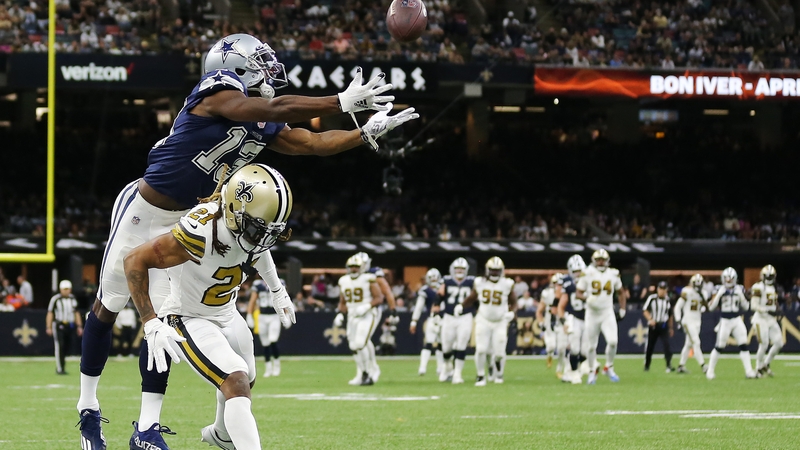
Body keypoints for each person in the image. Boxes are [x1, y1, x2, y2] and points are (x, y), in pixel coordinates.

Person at [76, 33, 416, 450]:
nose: (269, 67)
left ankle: (147, 428)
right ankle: (88, 408)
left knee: (162, 322)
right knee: (109, 304)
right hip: (144, 208)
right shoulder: (218, 90)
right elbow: (272, 107)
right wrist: (337, 102)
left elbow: (310, 143)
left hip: (188, 217)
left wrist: (362, 133)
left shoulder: (262, 116)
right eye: (259, 60)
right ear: (233, 65)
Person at [123, 163, 296, 450]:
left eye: (270, 232)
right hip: (188, 317)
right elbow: (134, 261)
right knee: (235, 380)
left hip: (227, 313)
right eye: (257, 229)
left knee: (246, 381)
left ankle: (221, 433)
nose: (262, 238)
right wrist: (151, 320)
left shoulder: (250, 229)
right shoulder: (202, 231)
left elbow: (259, 250)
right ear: (233, 211)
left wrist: (277, 290)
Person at [576, 249, 627, 384]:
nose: (600, 262)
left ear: (607, 261)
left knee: (613, 341)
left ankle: (608, 366)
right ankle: (592, 370)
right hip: (592, 314)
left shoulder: (613, 273)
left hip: (607, 312)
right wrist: (587, 297)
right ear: (594, 260)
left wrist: (622, 309)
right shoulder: (587, 273)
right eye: (598, 259)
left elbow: (621, 292)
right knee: (591, 346)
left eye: (603, 260)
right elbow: (578, 293)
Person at [463, 257, 516, 386]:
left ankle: (498, 373)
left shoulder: (507, 284)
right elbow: (472, 297)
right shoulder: (480, 282)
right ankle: (480, 375)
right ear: (487, 270)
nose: (494, 273)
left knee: (499, 353)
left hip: (500, 321)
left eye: (497, 271)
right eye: (492, 271)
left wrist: (512, 312)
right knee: (481, 349)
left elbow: (513, 301)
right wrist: (462, 305)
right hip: (483, 319)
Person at [333, 254, 385, 386]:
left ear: (362, 267)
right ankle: (363, 373)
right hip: (352, 316)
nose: (354, 269)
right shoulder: (343, 281)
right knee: (353, 346)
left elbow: (379, 298)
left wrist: (367, 306)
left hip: (367, 314)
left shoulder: (369, 278)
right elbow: (343, 301)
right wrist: (340, 313)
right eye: (351, 267)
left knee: (360, 343)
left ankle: (369, 372)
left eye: (356, 267)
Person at [352, 252, 397, 382]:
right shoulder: (352, 275)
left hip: (371, 310)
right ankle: (363, 371)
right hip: (355, 311)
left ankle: (371, 370)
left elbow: (386, 291)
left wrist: (393, 309)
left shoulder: (373, 273)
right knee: (355, 342)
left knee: (363, 340)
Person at [705, 267, 756, 380]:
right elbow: (711, 308)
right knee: (720, 346)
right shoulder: (718, 289)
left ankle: (749, 371)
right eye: (727, 279)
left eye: (730, 279)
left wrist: (741, 296)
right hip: (725, 320)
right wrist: (719, 295)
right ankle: (710, 370)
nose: (728, 282)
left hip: (737, 319)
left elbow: (746, 307)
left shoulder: (740, 289)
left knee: (743, 344)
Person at [438, 257, 475, 384]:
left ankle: (457, 374)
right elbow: (439, 296)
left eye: (462, 269)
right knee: (446, 347)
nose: (459, 271)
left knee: (461, 345)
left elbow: (476, 296)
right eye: (457, 269)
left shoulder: (471, 282)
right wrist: (436, 312)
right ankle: (447, 366)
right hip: (449, 316)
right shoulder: (446, 281)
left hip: (465, 316)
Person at [246, 277, 287, 378]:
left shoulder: (278, 282)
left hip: (274, 316)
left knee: (273, 340)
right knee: (265, 343)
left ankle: (277, 366)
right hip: (262, 316)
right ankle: (268, 367)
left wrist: (287, 314)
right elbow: (253, 300)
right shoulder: (258, 285)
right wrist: (249, 314)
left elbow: (283, 298)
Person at [557, 254, 587, 384]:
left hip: (589, 318)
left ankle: (569, 372)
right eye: (575, 271)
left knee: (585, 350)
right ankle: (574, 374)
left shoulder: (590, 281)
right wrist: (564, 320)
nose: (578, 274)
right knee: (574, 349)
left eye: (579, 270)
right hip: (574, 318)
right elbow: (562, 304)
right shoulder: (568, 283)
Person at [750, 265, 783, 377]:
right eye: (767, 276)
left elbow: (773, 303)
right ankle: (758, 368)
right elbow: (754, 305)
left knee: (779, 342)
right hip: (760, 319)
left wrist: (778, 311)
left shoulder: (774, 288)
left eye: (771, 276)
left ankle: (766, 363)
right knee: (763, 344)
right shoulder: (758, 287)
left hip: (770, 319)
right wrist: (768, 311)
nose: (769, 278)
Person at [410, 268, 444, 376]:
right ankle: (423, 367)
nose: (434, 280)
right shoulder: (425, 290)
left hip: (444, 319)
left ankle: (441, 368)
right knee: (429, 342)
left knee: (442, 344)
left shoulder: (444, 288)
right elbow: (419, 307)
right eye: (431, 278)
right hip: (432, 318)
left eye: (435, 278)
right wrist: (414, 321)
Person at [46, 280, 83, 374]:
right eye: (65, 289)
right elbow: (50, 313)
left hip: (69, 325)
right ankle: (60, 368)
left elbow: (76, 313)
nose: (67, 291)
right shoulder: (55, 299)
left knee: (67, 346)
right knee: (60, 346)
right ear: (61, 289)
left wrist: (79, 326)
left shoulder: (72, 299)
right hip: (59, 325)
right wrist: (48, 327)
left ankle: (62, 366)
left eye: (68, 289)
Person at [674, 274, 707, 374]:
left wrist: (703, 307)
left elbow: (704, 307)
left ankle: (681, 366)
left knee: (688, 344)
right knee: (696, 342)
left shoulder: (704, 293)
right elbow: (678, 307)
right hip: (688, 321)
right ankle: (703, 365)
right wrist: (678, 320)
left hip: (697, 321)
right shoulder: (687, 291)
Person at [537, 273, 567, 377]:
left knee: (561, 348)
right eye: (555, 284)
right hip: (550, 321)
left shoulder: (566, 293)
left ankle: (559, 369)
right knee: (551, 347)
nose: (557, 286)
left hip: (561, 320)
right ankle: (549, 355)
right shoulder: (547, 293)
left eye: (560, 284)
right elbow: (539, 311)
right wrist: (541, 322)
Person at [643, 281, 674, 372]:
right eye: (661, 289)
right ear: (658, 289)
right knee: (650, 346)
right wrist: (650, 319)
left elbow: (670, 315)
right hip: (654, 325)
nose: (662, 291)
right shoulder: (652, 298)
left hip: (663, 325)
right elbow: (645, 310)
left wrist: (671, 327)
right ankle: (647, 365)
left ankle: (669, 365)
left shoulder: (668, 300)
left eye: (664, 289)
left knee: (666, 345)